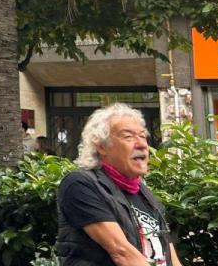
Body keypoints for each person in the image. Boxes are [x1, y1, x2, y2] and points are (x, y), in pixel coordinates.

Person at [56, 103, 183, 266]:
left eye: (142, 136)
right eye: (128, 137)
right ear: (101, 146)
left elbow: (170, 256)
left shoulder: (144, 194)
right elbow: (122, 253)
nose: (142, 144)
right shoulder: (80, 184)